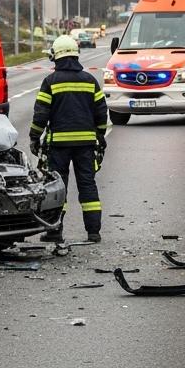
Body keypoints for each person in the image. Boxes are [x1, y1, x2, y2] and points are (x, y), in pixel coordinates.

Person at [30, 35, 109, 243]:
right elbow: (102, 112)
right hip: (85, 145)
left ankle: (55, 232)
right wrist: (100, 134)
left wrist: (34, 137)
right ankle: (93, 232)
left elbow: (41, 115)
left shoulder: (50, 82)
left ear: (56, 56)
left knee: (58, 188)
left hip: (59, 147)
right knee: (87, 185)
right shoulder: (90, 80)